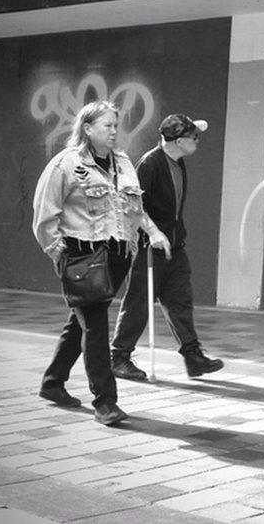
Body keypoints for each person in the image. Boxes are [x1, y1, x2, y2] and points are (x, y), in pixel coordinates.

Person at [32, 100, 171, 425]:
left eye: (115, 124)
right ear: (88, 128)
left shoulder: (122, 163)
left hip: (118, 256)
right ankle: (105, 402)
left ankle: (52, 384)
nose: (113, 131)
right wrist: (60, 255)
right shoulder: (66, 165)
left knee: (80, 322)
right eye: (107, 125)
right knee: (95, 327)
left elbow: (134, 208)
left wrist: (154, 232)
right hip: (82, 258)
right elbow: (44, 217)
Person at [110, 113, 224, 380]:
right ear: (179, 140)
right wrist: (154, 233)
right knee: (138, 303)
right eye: (194, 136)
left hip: (175, 245)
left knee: (180, 301)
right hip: (150, 246)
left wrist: (172, 235)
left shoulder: (178, 161)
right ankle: (119, 357)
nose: (198, 140)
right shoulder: (150, 164)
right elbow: (134, 208)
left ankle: (193, 356)